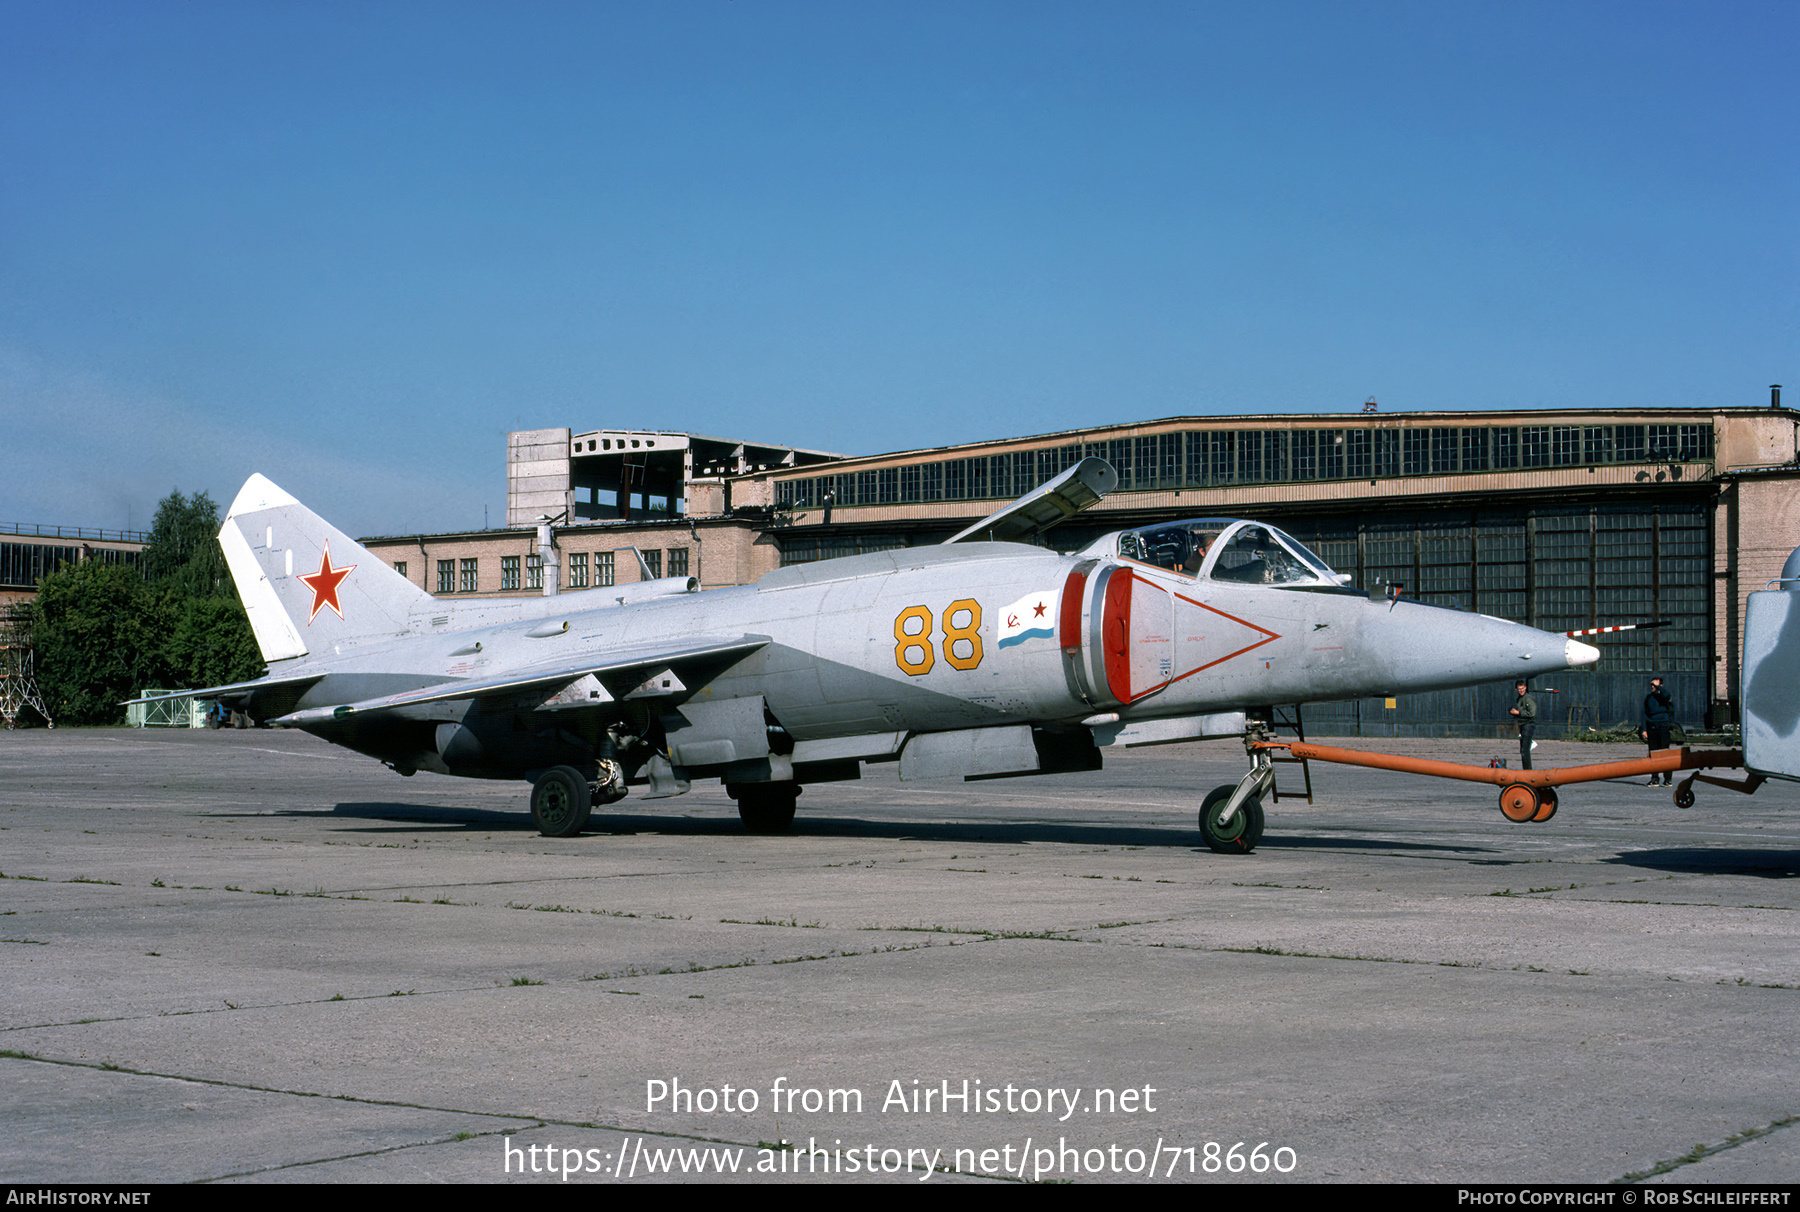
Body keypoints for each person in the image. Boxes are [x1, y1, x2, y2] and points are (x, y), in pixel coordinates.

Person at [1641, 675, 1675, 786]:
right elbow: (1644, 714)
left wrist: (1659, 687)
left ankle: (1667, 779)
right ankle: (1655, 778)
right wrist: (1644, 729)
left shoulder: (1664, 697)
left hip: (1663, 726)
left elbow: (1667, 695)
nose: (1652, 687)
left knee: (1665, 752)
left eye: (1654, 685)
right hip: (1652, 727)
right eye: (1651, 685)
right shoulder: (1649, 698)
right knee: (1653, 753)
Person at [1509, 680, 1537, 770]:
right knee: (1523, 750)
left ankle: (1528, 771)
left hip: (1528, 725)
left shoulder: (1527, 698)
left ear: (1525, 687)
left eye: (1522, 688)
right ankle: (1526, 769)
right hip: (1523, 725)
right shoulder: (1520, 698)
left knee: (1525, 750)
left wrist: (1518, 712)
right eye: (1519, 689)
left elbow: (1532, 713)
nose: (1520, 690)